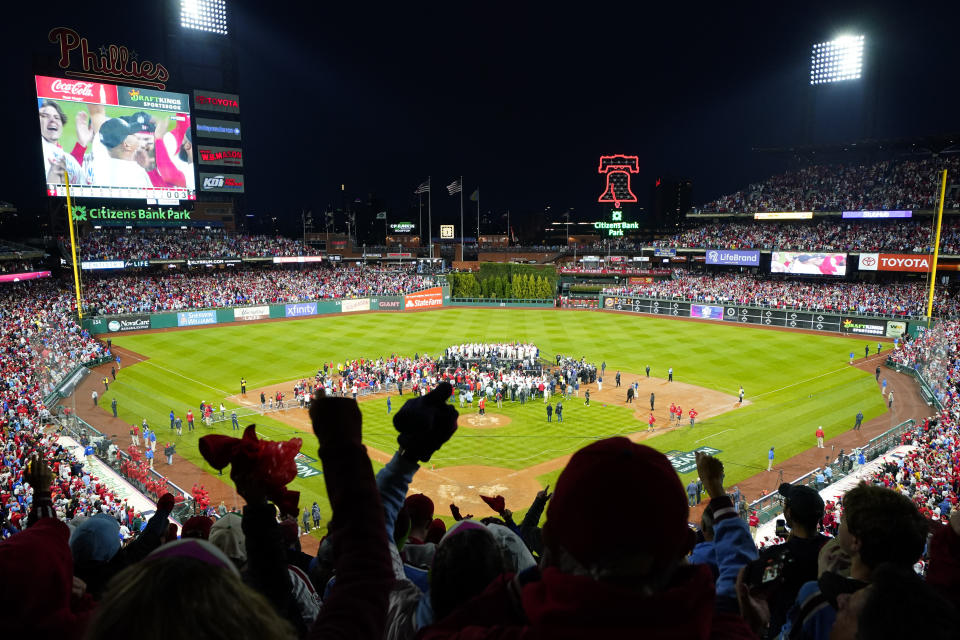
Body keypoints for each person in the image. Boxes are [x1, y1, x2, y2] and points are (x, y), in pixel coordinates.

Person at [419, 444, 758, 639]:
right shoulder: (726, 626)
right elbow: (737, 571)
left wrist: (528, 585)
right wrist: (717, 493)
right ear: (677, 547)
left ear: (554, 546)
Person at [751, 484, 930, 640]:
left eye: (845, 519)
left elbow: (751, 585)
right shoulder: (918, 605)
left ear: (855, 541)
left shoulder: (816, 590)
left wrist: (824, 585)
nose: (840, 522)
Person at [753, 483, 830, 636]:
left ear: (788, 513)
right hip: (822, 629)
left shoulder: (776, 555)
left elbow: (756, 594)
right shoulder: (831, 548)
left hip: (785, 630)